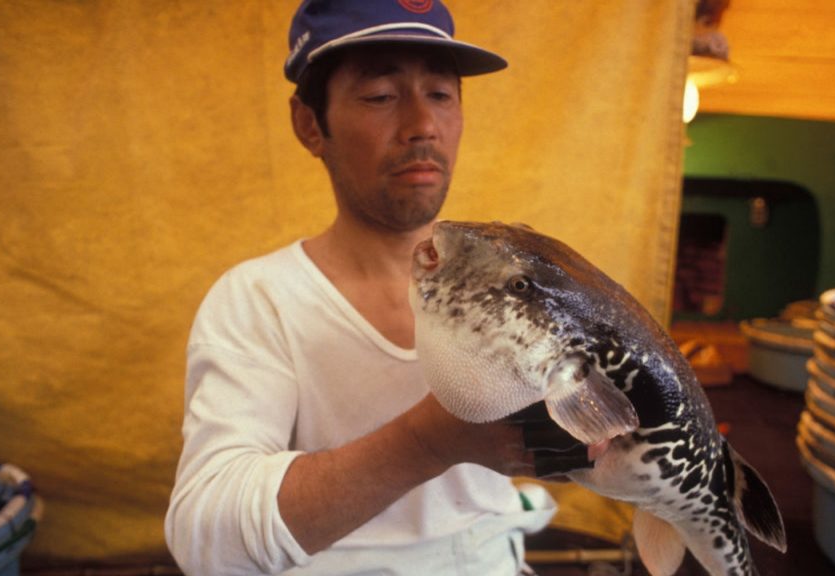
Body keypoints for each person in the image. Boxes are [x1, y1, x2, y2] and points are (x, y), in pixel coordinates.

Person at [164, 1, 560, 574]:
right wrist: (428, 443)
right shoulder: (259, 300)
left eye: (442, 94)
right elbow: (206, 538)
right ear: (309, 124)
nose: (422, 124)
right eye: (380, 95)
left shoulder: (519, 280)